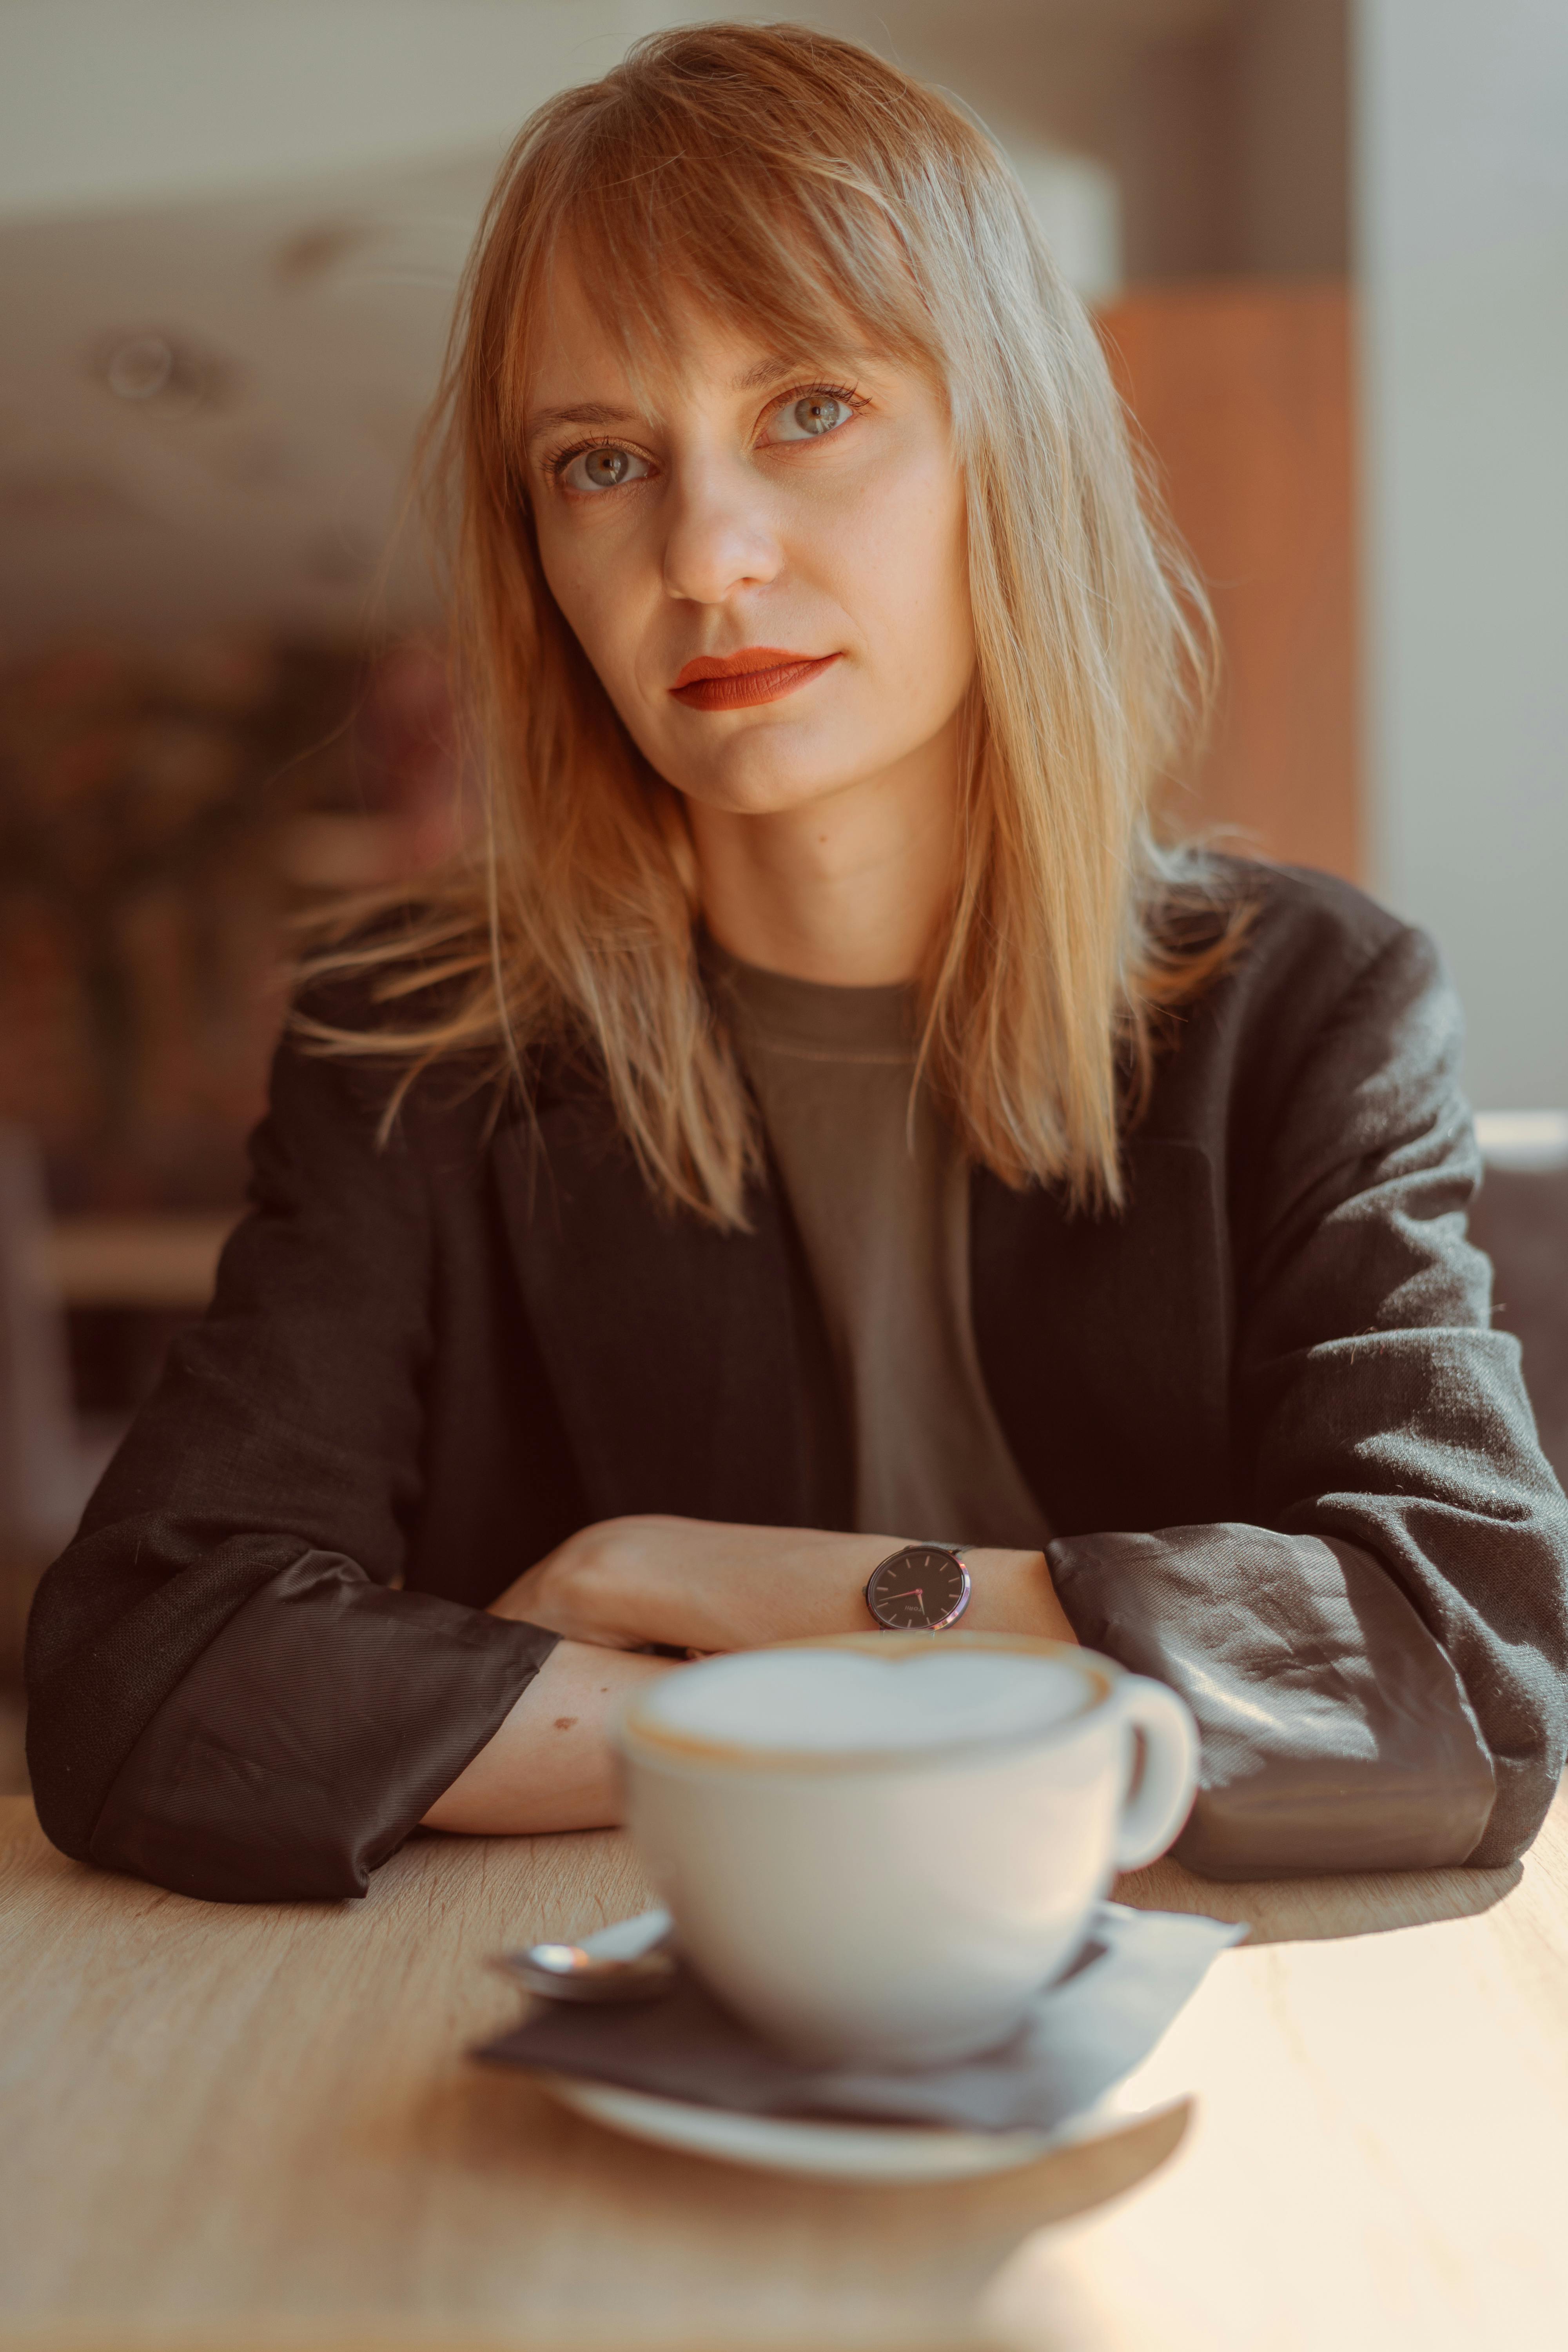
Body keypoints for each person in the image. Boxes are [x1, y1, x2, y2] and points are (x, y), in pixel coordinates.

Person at [25, 24, 1568, 1904]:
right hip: (584, 2014)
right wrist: (904, 1698)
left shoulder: (1312, 1007)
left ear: (1005, 447)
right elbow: (152, 1673)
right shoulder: (413, 1049)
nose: (707, 554)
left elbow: (1462, 1678)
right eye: (602, 462)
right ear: (541, 562)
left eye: (809, 410)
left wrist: (687, 1582)